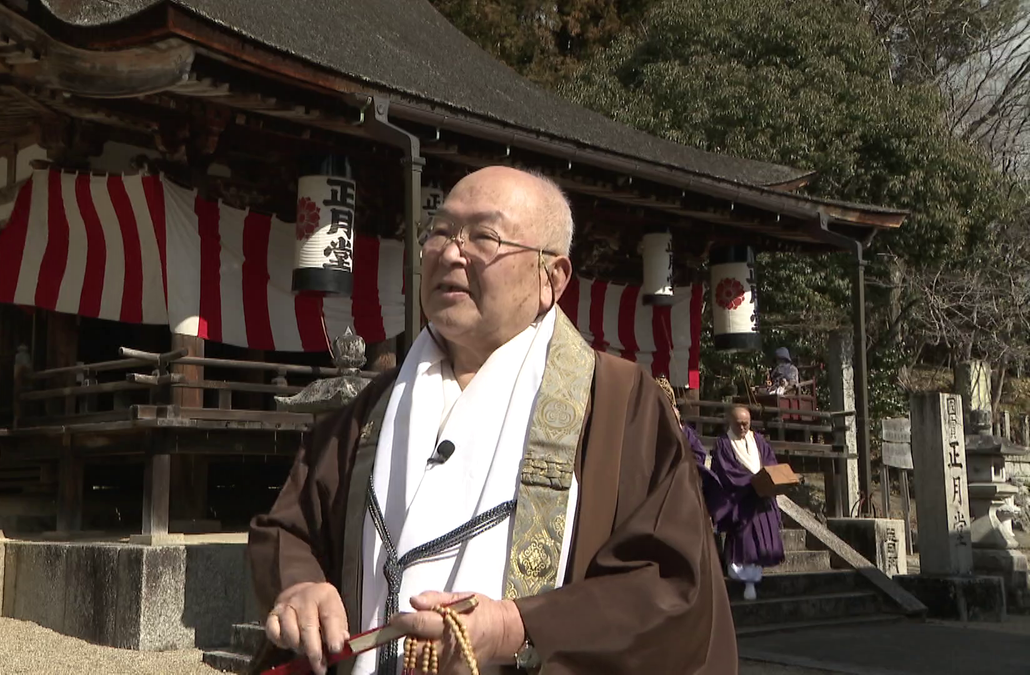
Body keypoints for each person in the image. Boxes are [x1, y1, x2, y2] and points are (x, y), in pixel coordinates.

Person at [248, 166, 737, 675]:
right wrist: (301, 584)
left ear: (552, 278)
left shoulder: (617, 404)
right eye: (439, 232)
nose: (450, 252)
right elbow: (290, 528)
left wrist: (517, 626)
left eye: (484, 236)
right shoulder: (372, 407)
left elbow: (668, 582)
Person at [710, 405, 785, 601]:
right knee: (745, 541)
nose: (743, 428)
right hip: (741, 500)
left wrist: (767, 477)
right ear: (730, 422)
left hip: (760, 498)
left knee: (762, 543)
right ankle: (744, 579)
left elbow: (770, 460)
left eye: (746, 424)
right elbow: (726, 472)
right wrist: (751, 481)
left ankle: (755, 578)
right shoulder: (723, 444)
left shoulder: (758, 440)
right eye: (738, 424)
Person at [655, 376, 724, 520]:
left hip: (682, 481)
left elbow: (699, 454)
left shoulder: (685, 432)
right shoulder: (648, 427)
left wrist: (684, 464)